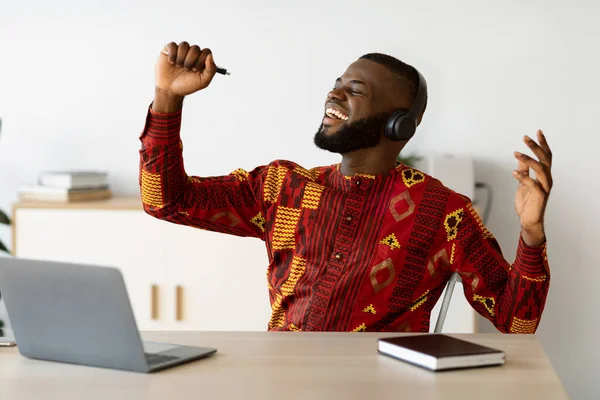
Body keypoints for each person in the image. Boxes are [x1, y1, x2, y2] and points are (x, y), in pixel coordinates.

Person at [138, 41, 553, 333]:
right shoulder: (282, 187)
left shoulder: (444, 213)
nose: (334, 92)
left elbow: (517, 320)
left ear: (399, 124)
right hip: (282, 380)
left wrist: (532, 234)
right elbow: (166, 201)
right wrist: (167, 98)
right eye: (338, 82)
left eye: (355, 90)